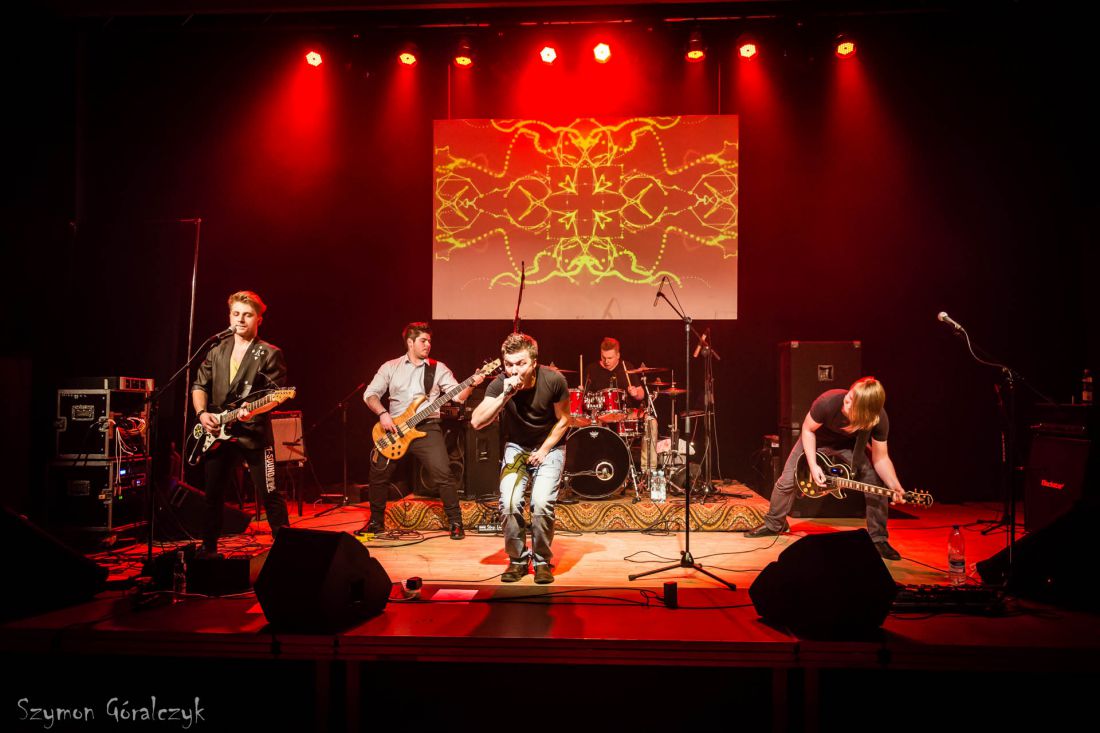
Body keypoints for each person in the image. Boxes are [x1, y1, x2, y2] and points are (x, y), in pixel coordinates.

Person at [745, 377, 907, 560]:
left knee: (875, 483)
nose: (846, 402)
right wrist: (813, 465)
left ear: (865, 411)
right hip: (817, 440)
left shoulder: (878, 418)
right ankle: (774, 524)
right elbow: (807, 430)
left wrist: (894, 484)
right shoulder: (828, 402)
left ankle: (878, 539)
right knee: (788, 480)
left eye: (852, 402)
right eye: (848, 396)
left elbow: (881, 458)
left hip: (850, 446)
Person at [357, 322, 483, 540]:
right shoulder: (390, 367)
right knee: (378, 475)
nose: (428, 345)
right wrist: (383, 413)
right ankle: (376, 523)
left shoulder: (438, 368)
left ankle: (456, 523)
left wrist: (471, 384)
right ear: (410, 342)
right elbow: (370, 394)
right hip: (395, 430)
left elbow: (458, 396)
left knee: (444, 475)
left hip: (427, 427)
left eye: (429, 341)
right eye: (423, 341)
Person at [191, 290, 290, 558]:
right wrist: (202, 413)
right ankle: (208, 549)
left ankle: (287, 551)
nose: (240, 319)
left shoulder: (270, 353)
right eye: (236, 314)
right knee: (213, 494)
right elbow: (199, 385)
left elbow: (275, 395)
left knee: (270, 493)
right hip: (218, 432)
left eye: (247, 315)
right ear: (229, 316)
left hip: (254, 433)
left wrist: (253, 410)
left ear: (259, 319)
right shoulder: (216, 350)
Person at [471, 333, 570, 584]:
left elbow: (564, 420)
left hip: (550, 446)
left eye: (520, 363)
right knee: (509, 502)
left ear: (534, 362)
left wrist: (544, 450)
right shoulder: (500, 384)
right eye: (509, 364)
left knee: (541, 502)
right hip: (517, 446)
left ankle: (542, 561)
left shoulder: (554, 380)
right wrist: (505, 395)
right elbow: (477, 421)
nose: (514, 370)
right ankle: (517, 560)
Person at [584, 337, 645, 403]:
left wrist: (636, 394)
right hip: (599, 409)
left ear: (618, 355)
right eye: (603, 357)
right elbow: (584, 396)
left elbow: (641, 395)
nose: (606, 361)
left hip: (625, 409)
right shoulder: (591, 369)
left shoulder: (627, 367)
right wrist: (581, 392)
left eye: (610, 358)